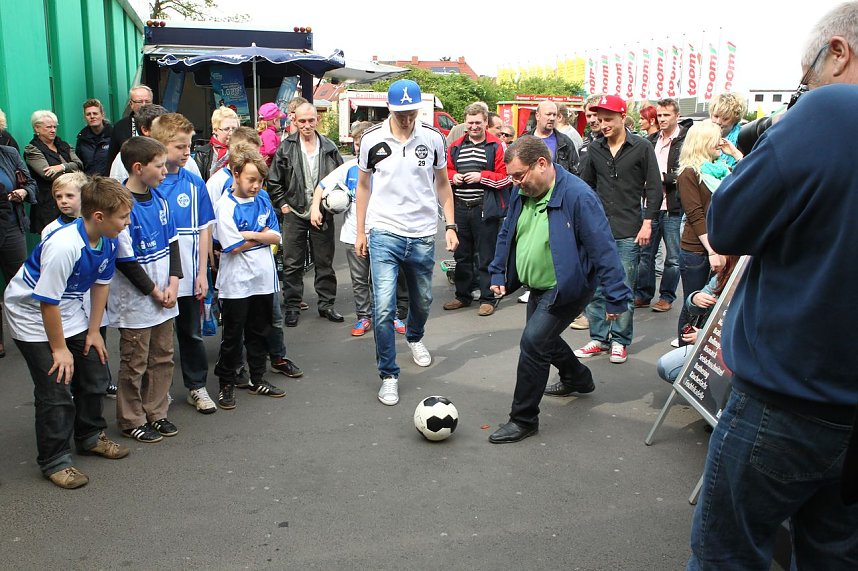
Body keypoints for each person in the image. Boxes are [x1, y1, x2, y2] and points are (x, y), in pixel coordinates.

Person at [687, 4, 858, 567]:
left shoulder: (832, 109)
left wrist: (781, 132)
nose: (805, 90)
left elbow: (730, 223)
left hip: (791, 399)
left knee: (728, 554)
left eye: (805, 79)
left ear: (838, 52)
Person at [487, 136, 630, 443]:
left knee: (534, 342)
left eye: (518, 175)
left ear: (542, 163)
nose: (514, 183)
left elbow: (604, 250)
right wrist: (499, 270)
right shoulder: (522, 191)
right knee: (543, 341)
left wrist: (617, 298)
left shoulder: (579, 196)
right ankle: (578, 378)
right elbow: (507, 232)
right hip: (536, 284)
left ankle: (523, 419)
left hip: (566, 288)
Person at [3, 176, 133, 488]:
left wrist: (93, 332)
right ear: (99, 217)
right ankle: (54, 460)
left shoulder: (108, 239)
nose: (126, 224)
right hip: (32, 314)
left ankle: (89, 436)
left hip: (70, 307)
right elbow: (47, 303)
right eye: (123, 217)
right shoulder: (64, 246)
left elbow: (101, 285)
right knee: (56, 387)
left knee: (94, 372)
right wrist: (59, 350)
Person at [355, 78, 458, 406]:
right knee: (383, 307)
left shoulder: (434, 138)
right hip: (384, 231)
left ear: (419, 108)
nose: (406, 118)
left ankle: (414, 337)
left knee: (424, 300)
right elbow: (363, 186)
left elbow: (443, 184)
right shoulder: (371, 140)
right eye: (400, 112)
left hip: (423, 233)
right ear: (389, 107)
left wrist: (450, 226)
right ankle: (389, 374)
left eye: (411, 112)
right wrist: (360, 231)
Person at [576, 95, 661, 364]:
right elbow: (585, 186)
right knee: (596, 286)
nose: (603, 125)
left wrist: (648, 222)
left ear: (623, 117)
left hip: (629, 228)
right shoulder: (594, 148)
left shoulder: (642, 146)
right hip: (597, 230)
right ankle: (599, 338)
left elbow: (654, 187)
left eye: (609, 119)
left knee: (623, 286)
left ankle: (620, 340)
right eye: (600, 120)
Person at [110, 136, 182, 441]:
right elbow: (125, 261)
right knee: (134, 362)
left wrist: (174, 283)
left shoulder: (161, 199)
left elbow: (173, 242)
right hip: (138, 302)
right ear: (138, 168)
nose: (165, 171)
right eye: (159, 165)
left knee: (163, 356)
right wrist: (154, 290)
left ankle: (157, 411)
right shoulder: (122, 206)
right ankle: (131, 419)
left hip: (165, 296)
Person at [149, 113, 216, 415]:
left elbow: (205, 228)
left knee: (191, 333)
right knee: (155, 340)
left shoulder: (194, 182)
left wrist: (202, 273)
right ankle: (157, 394)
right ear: (160, 146)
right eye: (180, 146)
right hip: (156, 280)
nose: (187, 151)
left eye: (189, 144)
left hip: (189, 278)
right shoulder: (147, 184)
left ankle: (196, 386)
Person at [213, 147, 287, 409]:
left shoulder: (264, 198)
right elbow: (230, 245)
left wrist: (247, 234)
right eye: (251, 180)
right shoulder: (225, 205)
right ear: (236, 174)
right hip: (236, 282)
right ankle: (226, 383)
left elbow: (277, 236)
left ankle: (258, 378)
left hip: (264, 278)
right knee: (233, 336)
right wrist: (259, 235)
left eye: (260, 180)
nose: (256, 186)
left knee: (260, 331)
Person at [266, 102, 344, 327]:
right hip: (295, 212)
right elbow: (274, 181)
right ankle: (292, 306)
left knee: (324, 262)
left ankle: (326, 304)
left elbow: (341, 180)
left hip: (322, 213)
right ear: (294, 120)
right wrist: (283, 205)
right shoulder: (286, 147)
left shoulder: (329, 147)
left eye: (311, 120)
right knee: (292, 263)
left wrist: (331, 205)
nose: (307, 125)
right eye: (302, 121)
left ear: (316, 120)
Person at [443, 102, 511, 317]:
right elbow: (445, 172)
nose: (474, 126)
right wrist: (454, 177)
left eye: (478, 123)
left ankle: (487, 298)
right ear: (465, 122)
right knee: (462, 255)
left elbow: (505, 177)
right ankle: (462, 295)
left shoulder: (496, 146)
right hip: (460, 206)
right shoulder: (455, 146)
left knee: (486, 255)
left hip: (485, 207)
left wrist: (482, 177)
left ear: (485, 123)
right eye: (470, 122)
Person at [675, 120, 729, 346]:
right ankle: (684, 352)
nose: (720, 141)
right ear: (704, 141)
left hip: (722, 246)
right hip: (698, 249)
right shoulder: (689, 173)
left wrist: (734, 152)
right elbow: (695, 214)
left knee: (713, 305)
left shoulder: (721, 169)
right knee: (694, 303)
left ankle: (702, 354)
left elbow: (750, 174)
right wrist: (712, 250)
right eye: (716, 137)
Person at [635, 98, 686, 313]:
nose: (662, 119)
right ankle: (644, 294)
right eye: (660, 115)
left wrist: (661, 179)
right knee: (645, 254)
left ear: (677, 116)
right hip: (651, 205)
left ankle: (666, 296)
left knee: (673, 257)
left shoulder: (685, 139)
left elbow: (687, 172)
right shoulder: (652, 140)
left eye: (667, 115)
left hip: (674, 206)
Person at [656, 255, 740, 383]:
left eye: (719, 254)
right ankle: (700, 389)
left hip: (737, 354)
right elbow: (693, 307)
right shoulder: (722, 277)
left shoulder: (753, 286)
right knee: (666, 366)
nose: (714, 260)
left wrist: (704, 336)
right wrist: (695, 299)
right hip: (711, 347)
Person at [0, 141, 37, 358]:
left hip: (13, 227)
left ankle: (30, 334)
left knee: (21, 284)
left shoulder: (9, 153)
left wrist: (23, 192)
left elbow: (30, 183)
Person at [109, 104, 204, 182]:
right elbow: (116, 194)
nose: (186, 152)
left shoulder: (189, 164)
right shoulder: (125, 157)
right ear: (145, 130)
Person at [24, 110, 84, 234]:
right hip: (48, 203)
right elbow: (48, 174)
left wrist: (61, 167)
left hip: (74, 202)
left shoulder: (64, 145)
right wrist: (74, 173)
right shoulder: (32, 149)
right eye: (48, 127)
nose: (53, 130)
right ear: (37, 128)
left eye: (54, 127)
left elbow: (79, 165)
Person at [523, 100, 579, 175]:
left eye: (554, 115)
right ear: (537, 116)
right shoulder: (523, 141)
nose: (552, 118)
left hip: (558, 186)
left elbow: (575, 171)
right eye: (548, 114)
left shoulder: (565, 142)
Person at [107, 85, 153, 166]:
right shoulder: (120, 127)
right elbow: (111, 158)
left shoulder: (161, 123)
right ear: (131, 104)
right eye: (139, 102)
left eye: (147, 101)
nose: (144, 105)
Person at [193, 106, 239, 180]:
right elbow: (198, 183)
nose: (231, 133)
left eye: (234, 129)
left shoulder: (243, 151)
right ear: (215, 130)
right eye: (226, 129)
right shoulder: (202, 153)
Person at [708, 92, 747, 168]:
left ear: (735, 119)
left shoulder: (744, 138)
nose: (718, 122)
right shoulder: (701, 134)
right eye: (716, 116)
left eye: (725, 118)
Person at [75, 99, 112, 176]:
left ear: (102, 115)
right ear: (85, 117)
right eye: (88, 114)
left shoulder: (113, 135)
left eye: (95, 113)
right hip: (90, 184)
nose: (92, 116)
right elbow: (79, 165)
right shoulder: (82, 139)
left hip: (110, 184)